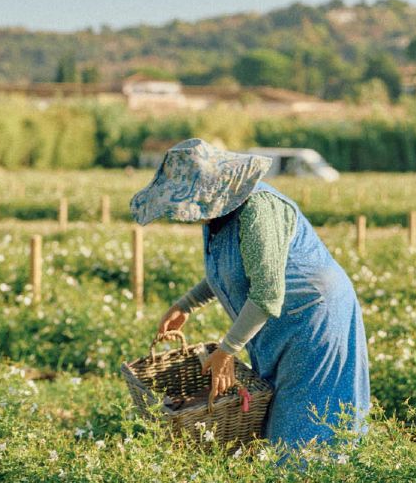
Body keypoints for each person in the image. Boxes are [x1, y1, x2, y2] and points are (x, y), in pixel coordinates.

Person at [130, 138, 370, 452]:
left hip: (314, 320)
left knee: (303, 422)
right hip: (280, 326)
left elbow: (267, 293)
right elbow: (231, 270)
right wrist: (185, 305)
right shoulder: (216, 214)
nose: (184, 215)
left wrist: (227, 350)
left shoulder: (257, 209)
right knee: (279, 420)